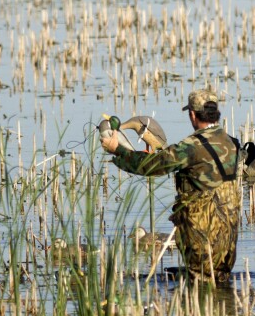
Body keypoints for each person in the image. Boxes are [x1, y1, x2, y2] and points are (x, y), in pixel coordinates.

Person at [100, 89, 243, 283]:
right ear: (215, 112)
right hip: (228, 245)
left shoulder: (192, 146)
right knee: (218, 285)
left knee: (198, 294)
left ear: (192, 114)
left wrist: (118, 150)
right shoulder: (233, 143)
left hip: (201, 241)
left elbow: (152, 166)